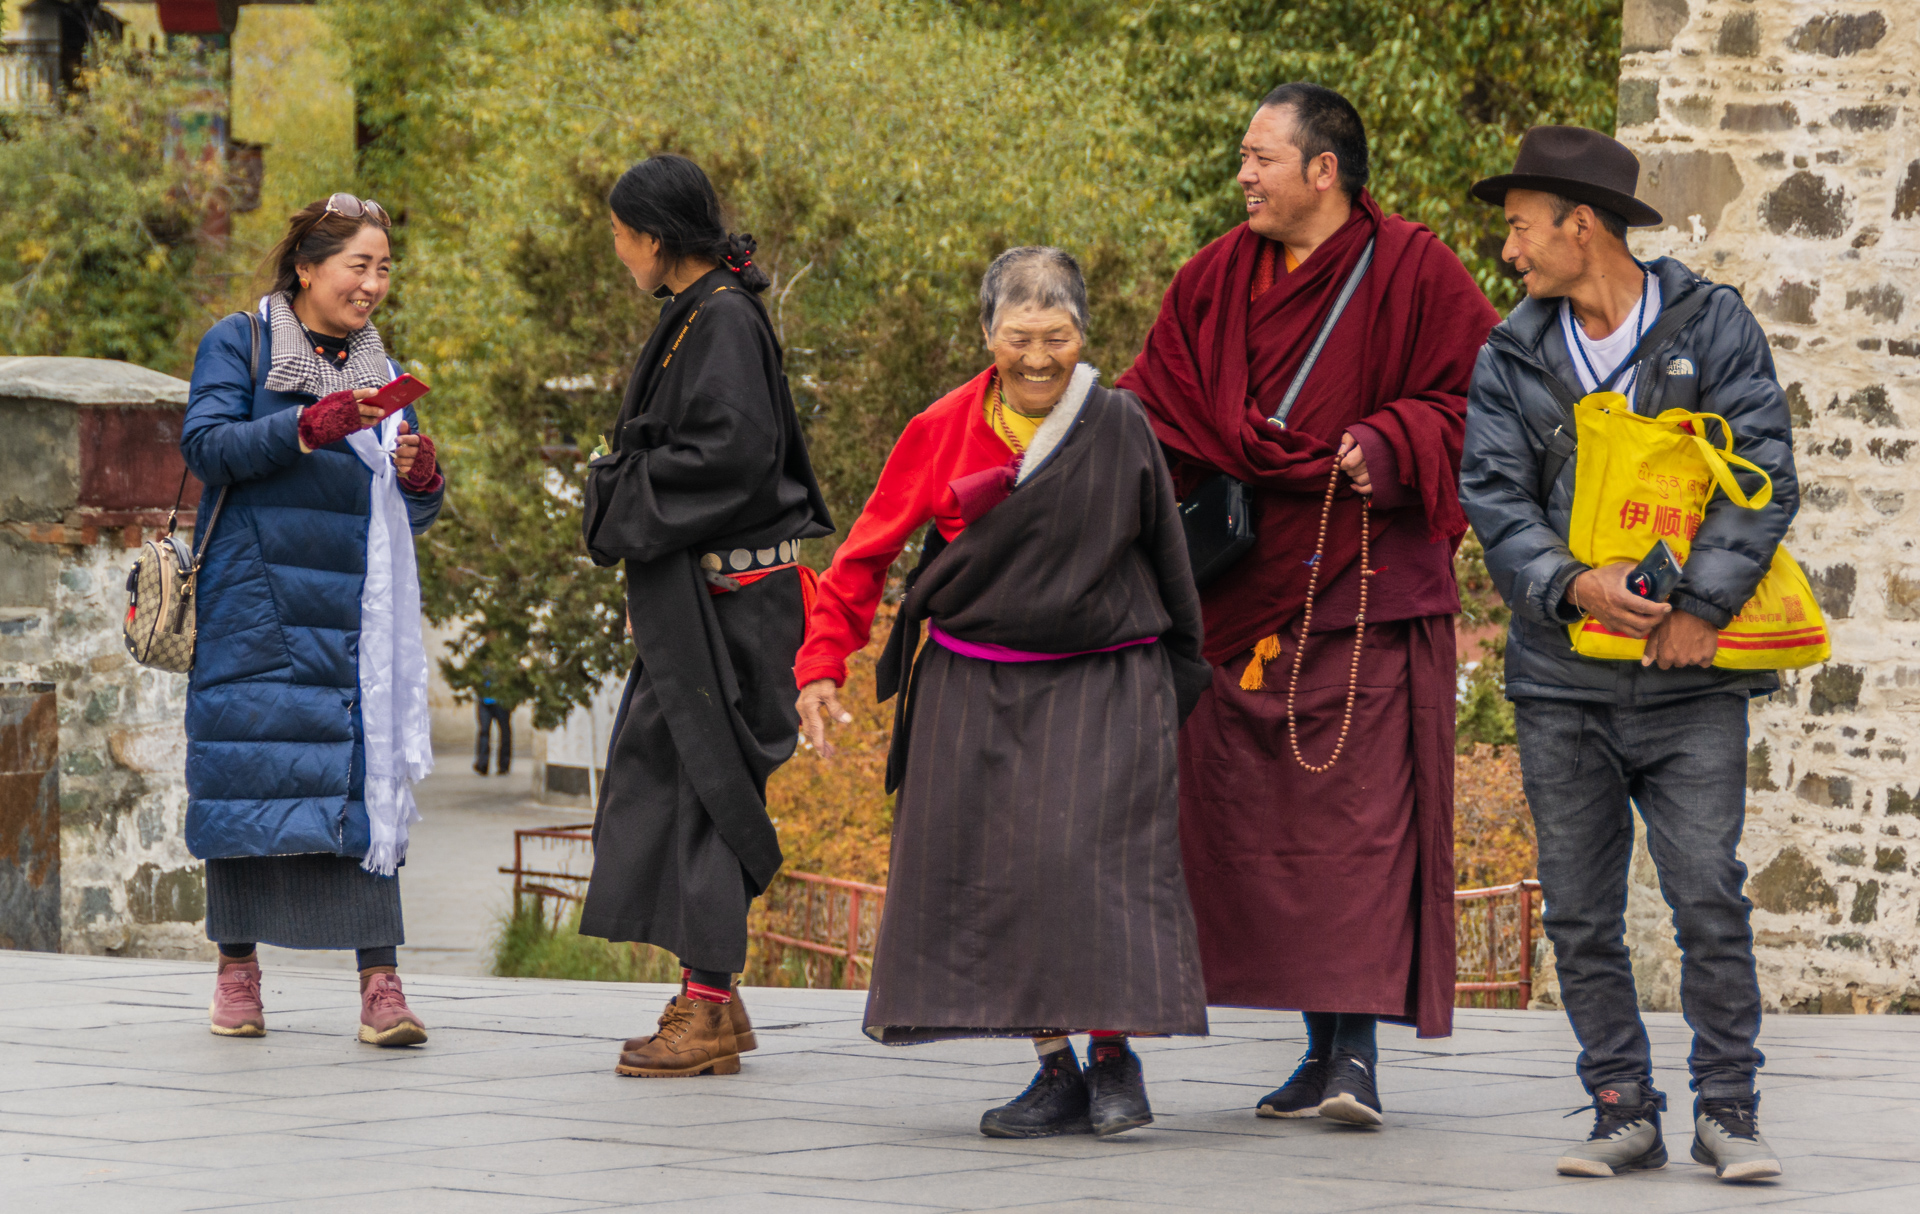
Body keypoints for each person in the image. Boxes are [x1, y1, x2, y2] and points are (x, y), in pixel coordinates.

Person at [1116, 82, 1499, 1125]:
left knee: (1356, 822)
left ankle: (1356, 1053)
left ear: (1323, 171)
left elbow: (1489, 399)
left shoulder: (1418, 270)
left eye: (1259, 157)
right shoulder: (1212, 277)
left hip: (1362, 585)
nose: (1241, 173)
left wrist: (1393, 439)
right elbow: (1150, 401)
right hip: (1243, 591)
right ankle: (1311, 1047)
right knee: (1263, 821)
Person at [795, 247, 1211, 1140]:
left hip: (1104, 680)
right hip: (974, 684)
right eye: (1018, 337)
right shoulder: (942, 426)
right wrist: (821, 666)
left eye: (1055, 337)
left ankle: (1113, 1058)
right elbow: (865, 554)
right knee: (1002, 880)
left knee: (1092, 874)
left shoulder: (1119, 424)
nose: (1036, 358)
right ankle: (1052, 1066)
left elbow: (1168, 566)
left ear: (1083, 337)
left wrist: (1181, 670)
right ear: (987, 335)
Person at [1461, 126, 1792, 1183]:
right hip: (1561, 679)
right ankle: (1621, 1102)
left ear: (1580, 224)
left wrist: (1701, 606)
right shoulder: (1510, 353)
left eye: (1519, 228)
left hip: (1691, 679)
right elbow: (1495, 497)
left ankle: (1728, 1107)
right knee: (1577, 907)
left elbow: (1765, 469)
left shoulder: (1714, 325)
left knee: (1708, 891)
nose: (1508, 251)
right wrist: (1572, 583)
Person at [579, 154, 833, 1078]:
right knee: (674, 781)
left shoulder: (722, 318)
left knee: (707, 792)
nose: (618, 252)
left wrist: (620, 484)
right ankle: (712, 997)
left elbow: (732, 455)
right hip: (707, 600)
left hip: (734, 605)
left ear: (652, 236)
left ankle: (706, 1006)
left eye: (619, 235)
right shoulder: (702, 311)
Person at [183, 193, 444, 1046]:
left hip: (353, 619)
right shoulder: (242, 341)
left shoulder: (381, 364)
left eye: (383, 269)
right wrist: (308, 425)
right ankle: (237, 973)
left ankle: (381, 985)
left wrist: (420, 475)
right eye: (357, 266)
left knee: (363, 793)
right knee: (245, 777)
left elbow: (410, 518)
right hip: (255, 604)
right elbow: (208, 447)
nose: (373, 285)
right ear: (306, 268)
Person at [473, 677, 512, 777]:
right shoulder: (481, 662)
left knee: (505, 732)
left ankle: (504, 765)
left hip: (501, 701)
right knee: (484, 731)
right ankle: (482, 764)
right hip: (484, 701)